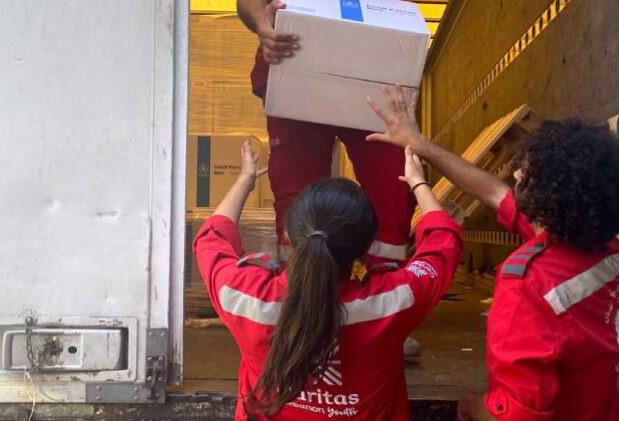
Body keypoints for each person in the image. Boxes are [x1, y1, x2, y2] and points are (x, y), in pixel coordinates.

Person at [368, 87, 619, 421]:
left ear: (551, 192)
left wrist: (471, 408)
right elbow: (493, 191)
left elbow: (516, 415)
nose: (515, 174)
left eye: (526, 172)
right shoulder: (600, 244)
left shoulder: (528, 283)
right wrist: (421, 148)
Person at [235, 0, 413, 268]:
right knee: (297, 194)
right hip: (297, 84)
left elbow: (400, 28)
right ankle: (305, 309)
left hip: (364, 94)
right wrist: (263, 24)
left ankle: (379, 310)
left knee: (394, 190)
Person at [193, 140, 462, 420]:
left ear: (287, 233)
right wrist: (418, 183)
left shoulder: (244, 297)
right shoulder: (394, 301)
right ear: (368, 245)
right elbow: (442, 242)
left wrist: (245, 182)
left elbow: (212, 238)